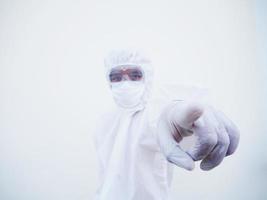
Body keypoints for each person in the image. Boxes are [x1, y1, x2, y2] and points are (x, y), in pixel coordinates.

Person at [93, 49, 240, 200]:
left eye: (134, 75)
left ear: (147, 77)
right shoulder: (104, 121)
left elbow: (161, 119)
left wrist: (173, 115)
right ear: (108, 81)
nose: (125, 83)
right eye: (116, 77)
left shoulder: (152, 113)